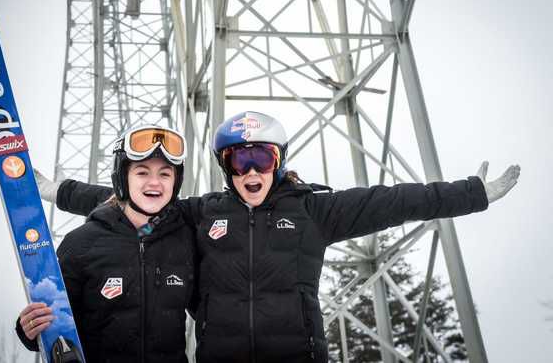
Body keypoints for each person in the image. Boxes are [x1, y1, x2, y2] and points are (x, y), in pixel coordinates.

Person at [39, 111, 520, 363]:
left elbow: (394, 201)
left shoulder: (313, 211)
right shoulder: (203, 213)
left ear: (278, 162)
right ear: (227, 168)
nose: (251, 171)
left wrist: (471, 193)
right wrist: (59, 192)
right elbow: (139, 196)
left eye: (261, 160)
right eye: (239, 161)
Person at [16, 125, 197, 363]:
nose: (154, 183)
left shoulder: (185, 241)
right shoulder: (83, 244)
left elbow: (217, 307)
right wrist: (29, 330)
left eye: (165, 174)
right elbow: (56, 320)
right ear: (123, 178)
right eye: (142, 173)